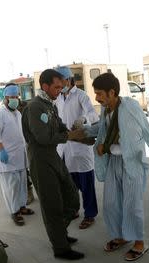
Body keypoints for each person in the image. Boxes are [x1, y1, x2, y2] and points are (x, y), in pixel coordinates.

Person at [85, 72, 149, 261]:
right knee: (111, 203)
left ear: (112, 92)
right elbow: (103, 129)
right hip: (114, 162)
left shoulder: (130, 107)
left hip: (132, 162)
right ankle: (121, 236)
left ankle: (139, 242)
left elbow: (138, 132)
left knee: (132, 204)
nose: (96, 98)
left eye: (99, 94)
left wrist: (108, 143)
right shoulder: (106, 110)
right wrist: (85, 131)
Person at [22, 69, 86, 260]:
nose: (60, 90)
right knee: (52, 205)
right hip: (40, 160)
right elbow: (42, 137)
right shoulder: (35, 107)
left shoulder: (50, 105)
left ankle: (59, 233)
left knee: (72, 197)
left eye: (61, 87)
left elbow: (59, 128)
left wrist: (72, 130)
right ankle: (60, 247)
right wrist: (68, 136)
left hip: (53, 156)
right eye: (57, 87)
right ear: (45, 86)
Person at [54, 66, 99, 230]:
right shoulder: (58, 98)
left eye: (61, 81)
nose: (59, 85)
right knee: (69, 185)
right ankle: (73, 210)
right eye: (57, 82)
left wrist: (83, 119)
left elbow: (94, 115)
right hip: (64, 149)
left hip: (80, 148)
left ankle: (90, 214)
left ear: (69, 79)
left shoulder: (81, 95)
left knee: (86, 185)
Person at [0, 84, 34, 226]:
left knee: (21, 184)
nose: (15, 99)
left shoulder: (17, 113)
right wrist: (1, 150)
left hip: (20, 158)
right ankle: (14, 212)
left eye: (16, 96)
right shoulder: (0, 114)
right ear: (6, 98)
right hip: (7, 158)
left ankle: (22, 207)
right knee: (11, 188)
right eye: (12, 97)